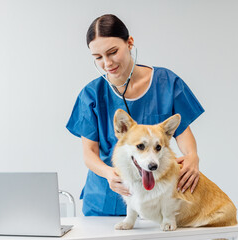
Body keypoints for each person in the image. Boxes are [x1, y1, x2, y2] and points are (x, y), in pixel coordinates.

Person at [66, 14, 204, 216]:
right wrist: (109, 174)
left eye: (112, 52)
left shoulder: (166, 83)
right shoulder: (91, 94)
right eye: (98, 58)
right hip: (105, 199)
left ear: (129, 43)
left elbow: (182, 133)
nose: (107, 63)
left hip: (157, 198)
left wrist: (192, 156)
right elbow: (89, 154)